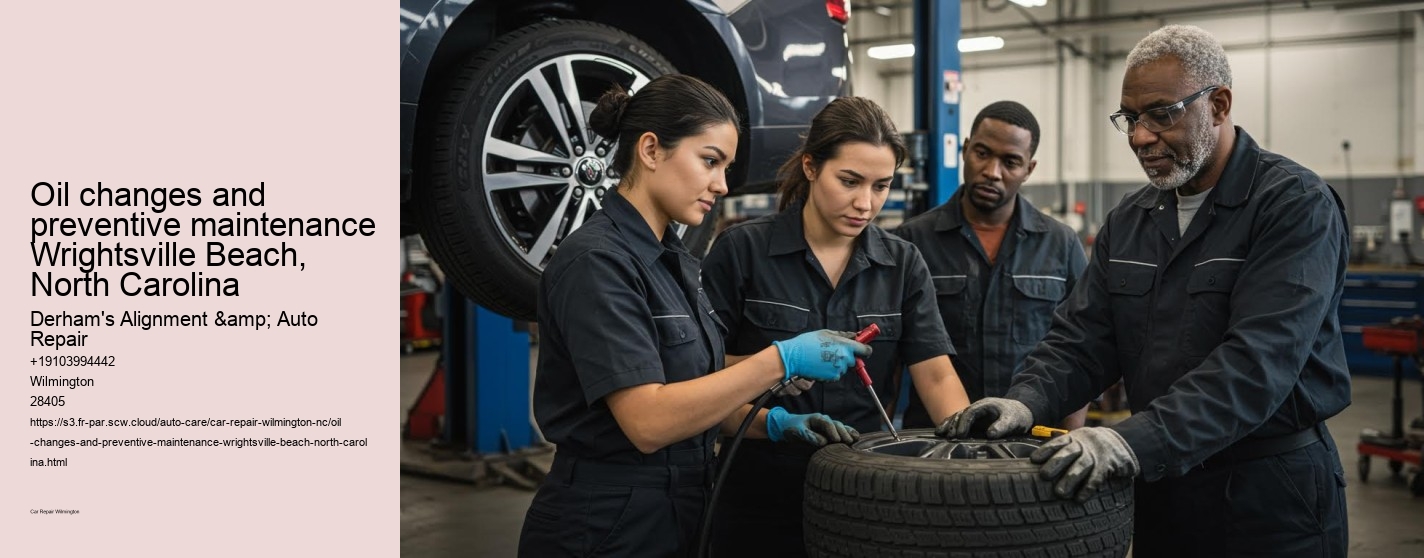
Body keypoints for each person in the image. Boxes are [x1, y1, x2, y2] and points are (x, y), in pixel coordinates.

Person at [938, 25, 1350, 557]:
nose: (1139, 137)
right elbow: (1082, 340)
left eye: (1161, 114)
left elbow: (1257, 365)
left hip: (1270, 498)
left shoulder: (1293, 205)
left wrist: (1129, 440)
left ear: (1218, 104)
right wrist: (1026, 402)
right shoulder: (1131, 219)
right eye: (1130, 119)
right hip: (1163, 490)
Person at [517, 74, 872, 558]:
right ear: (650, 149)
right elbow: (649, 421)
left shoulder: (671, 260)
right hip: (606, 521)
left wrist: (770, 422)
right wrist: (779, 360)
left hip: (676, 506)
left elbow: (690, 388)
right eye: (710, 161)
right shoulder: (598, 262)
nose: (722, 184)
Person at [700, 96, 971, 557]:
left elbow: (937, 374)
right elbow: (703, 377)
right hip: (755, 488)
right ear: (810, 166)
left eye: (881, 186)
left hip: (862, 492)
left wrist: (971, 462)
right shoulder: (741, 251)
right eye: (849, 181)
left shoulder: (901, 263)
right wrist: (776, 410)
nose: (865, 203)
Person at [893, 101, 1089, 430]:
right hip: (936, 441)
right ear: (966, 150)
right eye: (982, 153)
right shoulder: (913, 242)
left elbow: (1081, 352)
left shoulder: (1062, 244)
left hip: (1033, 440)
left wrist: (1069, 439)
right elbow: (892, 360)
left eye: (1010, 162)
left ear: (1029, 169)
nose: (992, 172)